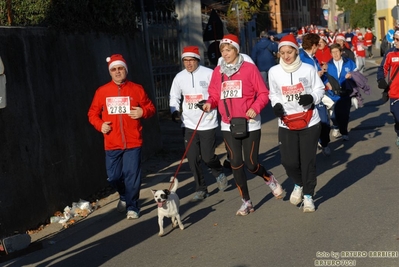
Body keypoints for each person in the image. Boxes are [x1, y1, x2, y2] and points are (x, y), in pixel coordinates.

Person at [202, 34, 284, 216]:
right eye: (222, 50)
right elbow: (214, 94)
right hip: (228, 124)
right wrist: (209, 103)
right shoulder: (218, 72)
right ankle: (246, 202)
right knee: (236, 164)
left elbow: (263, 93)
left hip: (250, 123)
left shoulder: (249, 69)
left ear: (236, 50)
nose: (225, 53)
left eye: (228, 49)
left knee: (251, 163)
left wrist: (255, 108)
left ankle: (269, 178)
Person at [88, 54, 156, 219]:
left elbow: (150, 108)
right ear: (110, 72)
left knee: (132, 175)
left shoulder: (136, 89)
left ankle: (133, 207)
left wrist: (143, 111)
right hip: (112, 143)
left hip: (133, 142)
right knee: (114, 177)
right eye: (114, 69)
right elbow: (92, 114)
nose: (117, 72)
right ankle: (124, 196)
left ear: (126, 70)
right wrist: (100, 125)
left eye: (120, 68)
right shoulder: (102, 91)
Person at [268, 34, 325, 212]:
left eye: (289, 52)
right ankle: (299, 184)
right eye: (282, 52)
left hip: (309, 121)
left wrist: (312, 97)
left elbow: (320, 88)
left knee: (308, 161)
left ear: (295, 51)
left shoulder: (308, 69)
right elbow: (274, 93)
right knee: (288, 161)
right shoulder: (274, 72)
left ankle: (308, 196)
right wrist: (276, 105)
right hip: (286, 122)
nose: (286, 56)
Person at [169, 46, 228, 202]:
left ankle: (218, 172)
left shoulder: (209, 74)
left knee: (208, 157)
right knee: (193, 159)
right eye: (185, 61)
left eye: (191, 60)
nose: (188, 64)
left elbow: (218, 94)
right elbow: (174, 96)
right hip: (188, 123)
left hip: (207, 121)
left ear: (197, 60)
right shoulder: (179, 77)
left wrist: (209, 103)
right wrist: (174, 111)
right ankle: (201, 189)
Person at [299, 33, 331, 156]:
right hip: (306, 96)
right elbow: (300, 77)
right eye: (317, 45)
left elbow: (319, 72)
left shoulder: (313, 57)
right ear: (313, 45)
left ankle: (324, 143)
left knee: (324, 121)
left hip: (317, 94)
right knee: (309, 123)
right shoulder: (301, 58)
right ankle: (312, 146)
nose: (318, 47)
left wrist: (327, 83)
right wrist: (316, 75)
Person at [325, 44, 357, 141]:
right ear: (330, 54)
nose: (335, 54)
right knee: (334, 115)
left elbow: (357, 73)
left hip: (345, 93)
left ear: (341, 52)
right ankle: (335, 126)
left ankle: (344, 132)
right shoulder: (328, 64)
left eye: (337, 52)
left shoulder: (349, 63)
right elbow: (324, 77)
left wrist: (351, 75)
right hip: (333, 94)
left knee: (345, 114)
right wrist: (327, 83)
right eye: (333, 52)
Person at [377, 30, 399, 148]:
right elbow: (382, 68)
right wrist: (381, 79)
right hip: (395, 93)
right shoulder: (390, 53)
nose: (394, 42)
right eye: (394, 39)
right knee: (397, 117)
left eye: (397, 39)